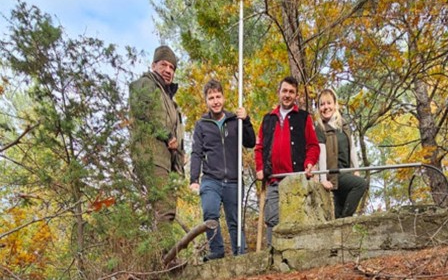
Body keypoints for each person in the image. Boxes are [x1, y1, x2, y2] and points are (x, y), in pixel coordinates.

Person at [190, 79, 256, 259]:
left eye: (218, 96)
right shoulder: (202, 124)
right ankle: (217, 250)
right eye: (211, 98)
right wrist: (194, 179)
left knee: (235, 220)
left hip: (234, 180)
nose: (215, 101)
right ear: (206, 101)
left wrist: (246, 120)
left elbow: (250, 142)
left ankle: (240, 254)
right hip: (211, 178)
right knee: (210, 212)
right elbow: (196, 152)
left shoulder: (235, 120)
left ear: (224, 98)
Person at [129, 45, 185, 243]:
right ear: (153, 65)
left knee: (166, 208)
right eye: (163, 65)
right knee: (164, 206)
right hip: (151, 155)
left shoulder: (170, 99)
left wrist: (180, 161)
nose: (168, 70)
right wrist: (167, 135)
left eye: (172, 67)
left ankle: (160, 254)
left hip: (166, 161)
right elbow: (143, 112)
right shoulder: (145, 84)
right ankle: (167, 253)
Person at [255, 76, 320, 242]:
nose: (287, 95)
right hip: (273, 180)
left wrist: (309, 163)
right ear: (279, 92)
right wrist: (260, 167)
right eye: (284, 91)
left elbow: (313, 146)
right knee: (272, 220)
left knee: (296, 222)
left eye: (291, 92)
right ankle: (272, 254)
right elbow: (259, 147)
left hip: (296, 179)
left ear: (296, 95)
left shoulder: (304, 118)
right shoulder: (268, 119)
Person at [315, 88, 367, 218]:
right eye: (322, 104)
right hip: (334, 174)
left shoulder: (344, 125)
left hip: (346, 171)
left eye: (329, 103)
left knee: (339, 212)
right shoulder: (320, 128)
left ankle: (342, 223)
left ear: (335, 105)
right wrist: (323, 179)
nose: (325, 107)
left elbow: (352, 148)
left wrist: (356, 169)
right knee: (361, 184)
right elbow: (321, 155)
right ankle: (345, 220)